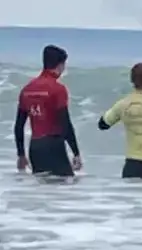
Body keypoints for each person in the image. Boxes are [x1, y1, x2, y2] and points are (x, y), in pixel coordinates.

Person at [14, 44, 82, 178]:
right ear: (60, 65)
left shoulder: (27, 89)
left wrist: (21, 155)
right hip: (54, 145)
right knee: (66, 187)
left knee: (44, 191)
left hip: (35, 148)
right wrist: (76, 153)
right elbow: (65, 123)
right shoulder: (58, 89)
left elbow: (19, 126)